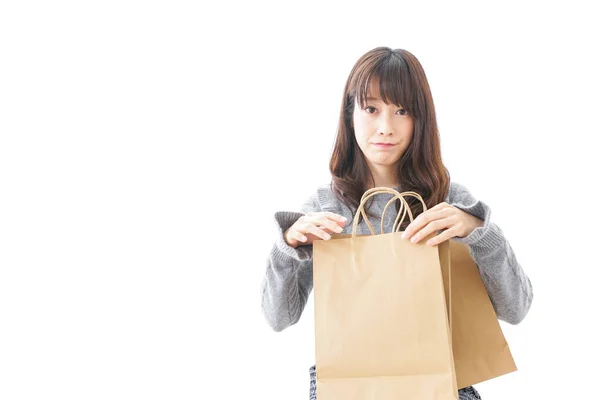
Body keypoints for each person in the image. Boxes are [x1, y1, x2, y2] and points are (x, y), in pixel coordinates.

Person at [260, 46, 533, 400]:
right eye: (371, 109)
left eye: (401, 110)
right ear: (349, 115)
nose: (385, 128)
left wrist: (480, 233)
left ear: (420, 119)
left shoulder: (448, 202)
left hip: (440, 385)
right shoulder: (326, 207)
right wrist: (288, 247)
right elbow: (279, 318)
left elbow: (516, 309)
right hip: (349, 386)